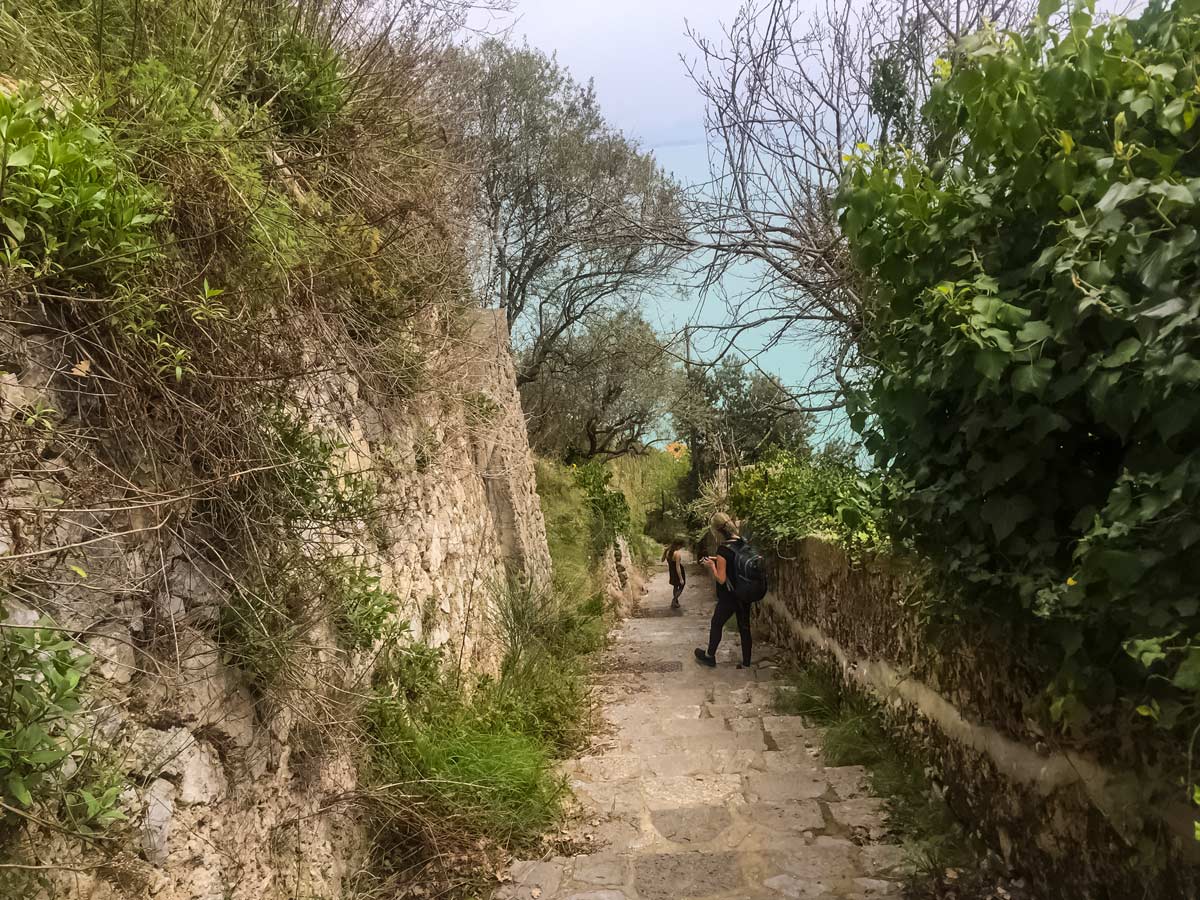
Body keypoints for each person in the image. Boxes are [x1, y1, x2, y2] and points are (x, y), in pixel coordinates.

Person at [694, 512, 752, 669]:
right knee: (744, 626)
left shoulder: (723, 549)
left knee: (716, 623)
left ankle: (709, 656)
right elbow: (733, 561)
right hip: (744, 591)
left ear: (717, 530)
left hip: (729, 595)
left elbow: (721, 578)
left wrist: (712, 565)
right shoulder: (742, 541)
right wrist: (715, 559)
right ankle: (747, 662)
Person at [662, 539, 686, 608]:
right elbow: (678, 567)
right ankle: (674, 600)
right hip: (677, 571)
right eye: (681, 546)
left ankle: (676, 602)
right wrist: (681, 578)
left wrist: (664, 551)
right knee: (682, 585)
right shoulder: (677, 554)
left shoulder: (667, 551)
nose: (680, 548)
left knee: (675, 586)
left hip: (671, 571)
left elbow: (662, 560)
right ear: (678, 546)